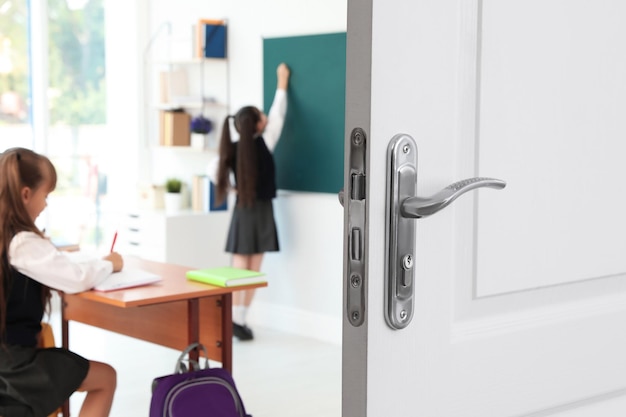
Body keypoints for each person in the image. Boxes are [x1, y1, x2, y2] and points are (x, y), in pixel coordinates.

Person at [0, 147, 123, 417]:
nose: (46, 205)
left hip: (8, 359)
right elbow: (76, 279)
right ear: (26, 194)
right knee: (105, 378)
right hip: (12, 365)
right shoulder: (21, 241)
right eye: (46, 195)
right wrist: (109, 263)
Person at [212, 62, 290, 341]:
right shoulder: (266, 141)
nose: (266, 116)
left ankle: (234, 319)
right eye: (261, 114)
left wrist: (233, 188)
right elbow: (278, 114)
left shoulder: (231, 150)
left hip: (242, 211)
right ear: (257, 124)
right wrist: (281, 84)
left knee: (238, 269)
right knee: (253, 271)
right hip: (262, 211)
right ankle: (240, 319)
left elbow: (213, 171)